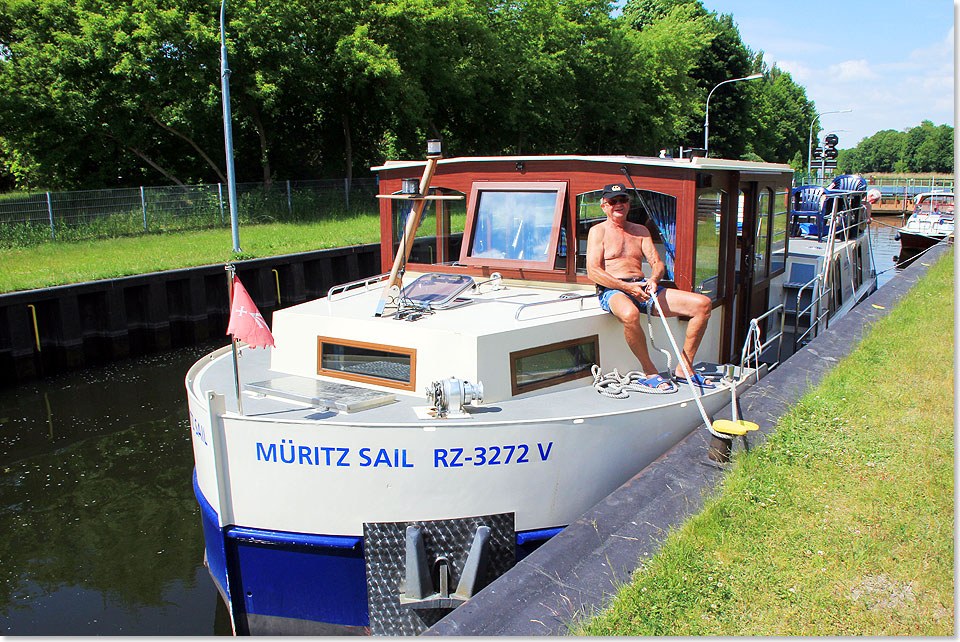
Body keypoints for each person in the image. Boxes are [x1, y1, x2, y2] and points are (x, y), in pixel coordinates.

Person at [586, 183, 714, 390]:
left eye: (623, 200)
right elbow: (593, 271)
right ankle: (650, 371)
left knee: (702, 304)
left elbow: (657, 263)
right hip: (613, 290)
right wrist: (627, 288)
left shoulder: (641, 231)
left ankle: (684, 368)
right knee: (630, 315)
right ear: (604, 206)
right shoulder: (597, 232)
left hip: (643, 286)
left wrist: (654, 279)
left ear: (629, 203)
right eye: (613, 201)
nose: (619, 204)